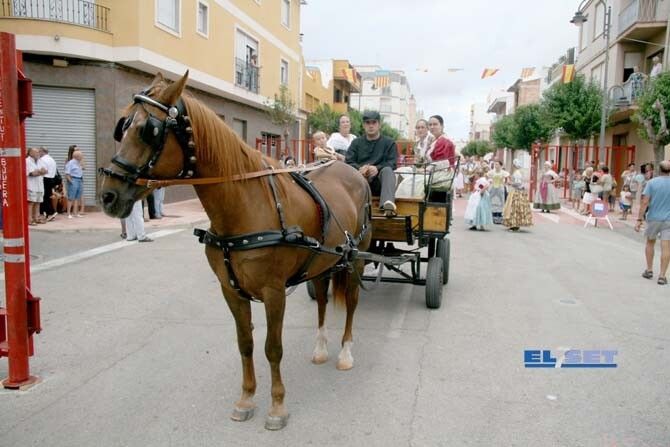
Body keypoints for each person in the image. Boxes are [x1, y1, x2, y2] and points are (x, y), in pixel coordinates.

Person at [345, 110, 398, 217]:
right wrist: (359, 169)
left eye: (374, 122)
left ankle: (387, 206)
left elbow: (392, 163)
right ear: (364, 125)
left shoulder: (389, 143)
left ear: (379, 125)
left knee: (388, 170)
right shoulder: (356, 143)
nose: (371, 126)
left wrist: (377, 168)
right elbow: (348, 162)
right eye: (368, 123)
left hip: (380, 183)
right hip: (360, 182)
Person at [635, 160, 670, 285]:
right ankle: (662, 275)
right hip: (668, 220)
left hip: (653, 218)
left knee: (650, 243)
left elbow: (645, 202)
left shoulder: (651, 183)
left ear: (658, 170)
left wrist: (639, 219)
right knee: (666, 247)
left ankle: (649, 270)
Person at [502, 159, 533, 231]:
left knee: (514, 208)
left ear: (514, 165)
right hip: (518, 191)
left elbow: (518, 183)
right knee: (516, 208)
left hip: (516, 192)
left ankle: (514, 225)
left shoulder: (517, 173)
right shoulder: (518, 172)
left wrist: (510, 183)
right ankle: (514, 224)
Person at [26, 147, 47, 225]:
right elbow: (31, 173)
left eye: (38, 152)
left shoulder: (40, 161)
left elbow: (45, 170)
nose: (38, 154)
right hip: (31, 185)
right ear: (30, 153)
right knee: (31, 202)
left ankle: (36, 218)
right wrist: (39, 172)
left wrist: (41, 172)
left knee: (38, 202)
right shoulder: (27, 161)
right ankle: (29, 219)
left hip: (39, 185)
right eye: (36, 152)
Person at [38, 146, 59, 221]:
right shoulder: (52, 159)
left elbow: (43, 170)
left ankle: (50, 212)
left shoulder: (42, 160)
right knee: (47, 196)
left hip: (45, 179)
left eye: (39, 151)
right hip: (51, 179)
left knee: (44, 197)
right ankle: (47, 213)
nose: (38, 153)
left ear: (43, 152)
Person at [487, 160, 509, 224]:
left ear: (500, 165)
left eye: (497, 164)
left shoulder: (503, 172)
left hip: (500, 188)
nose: (496, 166)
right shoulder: (491, 172)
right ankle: (492, 216)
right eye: (495, 164)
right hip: (493, 188)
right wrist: (489, 181)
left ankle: (500, 217)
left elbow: (507, 178)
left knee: (501, 201)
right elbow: (487, 176)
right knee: (492, 201)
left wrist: (505, 183)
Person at [64, 150, 84, 218]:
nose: (82, 157)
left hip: (79, 180)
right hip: (74, 179)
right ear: (77, 156)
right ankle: (68, 213)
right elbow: (67, 173)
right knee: (71, 197)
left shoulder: (79, 163)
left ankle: (75, 213)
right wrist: (71, 181)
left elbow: (83, 169)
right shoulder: (70, 163)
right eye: (81, 155)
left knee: (77, 197)